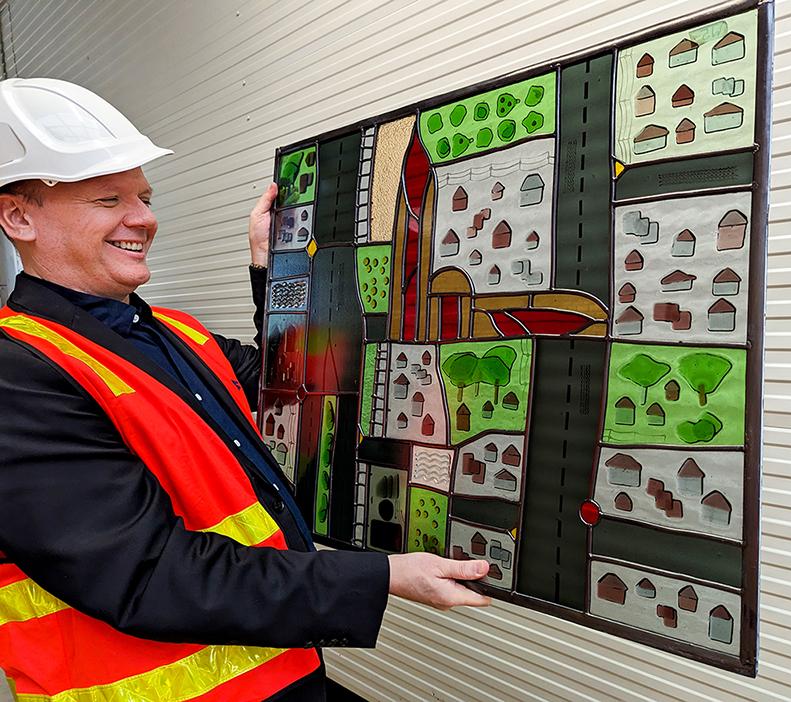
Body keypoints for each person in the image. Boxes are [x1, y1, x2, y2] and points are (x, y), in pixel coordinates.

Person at [0, 78, 490, 702]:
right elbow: (146, 574)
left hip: (277, 674)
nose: (143, 218)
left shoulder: (175, 336)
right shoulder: (18, 373)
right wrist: (381, 576)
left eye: (144, 196)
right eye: (108, 199)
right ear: (18, 217)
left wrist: (278, 268)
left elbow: (305, 386)